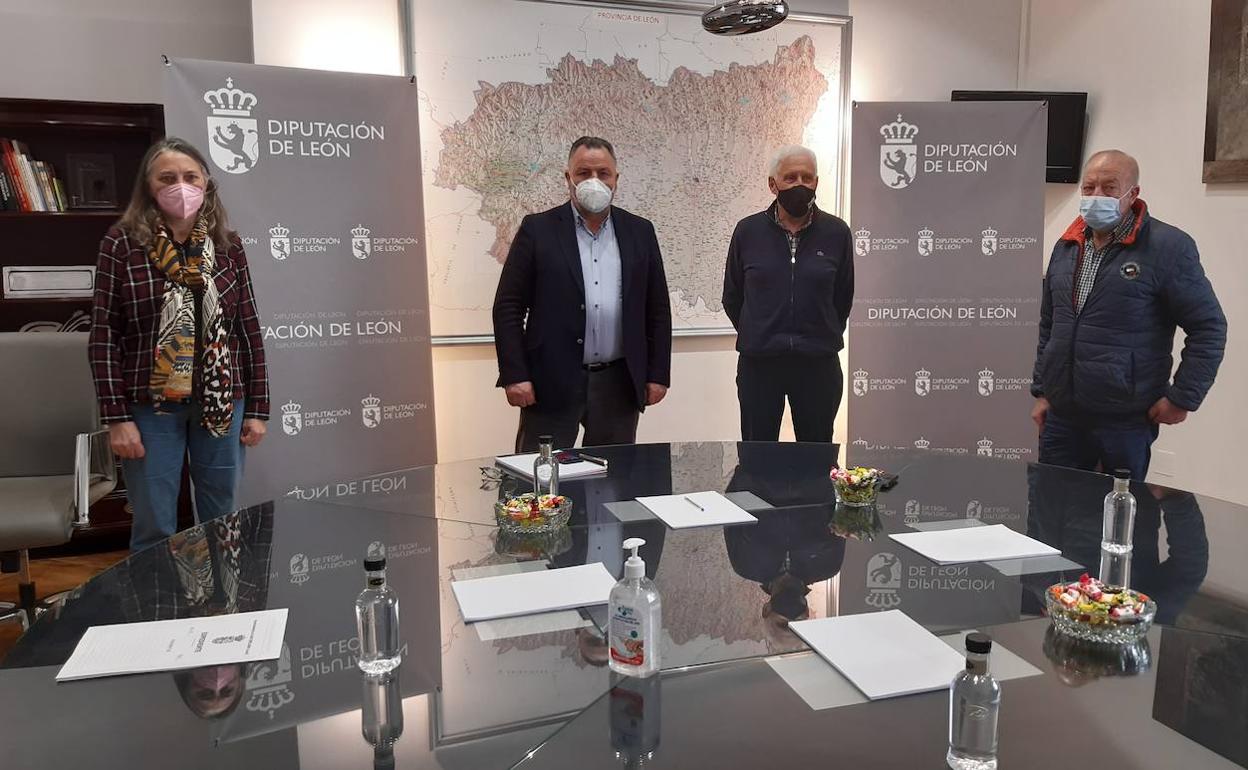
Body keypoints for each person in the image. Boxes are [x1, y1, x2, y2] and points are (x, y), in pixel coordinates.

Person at [89, 137, 269, 553]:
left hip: (221, 402)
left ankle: (221, 594)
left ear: (206, 183)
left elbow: (247, 329)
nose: (181, 187)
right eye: (167, 178)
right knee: (154, 523)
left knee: (222, 517)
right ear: (148, 186)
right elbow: (103, 336)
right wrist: (116, 418)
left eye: (190, 177)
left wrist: (258, 408)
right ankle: (157, 597)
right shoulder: (122, 244)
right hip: (149, 406)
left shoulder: (228, 246)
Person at [1030, 150, 1226, 480]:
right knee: (1052, 506)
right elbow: (1050, 326)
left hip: (1125, 423)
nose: (1096, 196)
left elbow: (1209, 327)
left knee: (1122, 508)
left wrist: (1183, 398)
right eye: (1089, 188)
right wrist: (1043, 392)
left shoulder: (1168, 247)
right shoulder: (1066, 246)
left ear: (1132, 194)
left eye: (1109, 188)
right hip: (1063, 418)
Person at [492, 136, 672, 452]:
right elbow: (508, 306)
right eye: (584, 173)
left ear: (616, 179)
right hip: (550, 381)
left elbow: (656, 308)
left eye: (603, 173)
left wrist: (658, 374)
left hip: (618, 383)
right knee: (540, 474)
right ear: (568, 178)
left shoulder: (640, 231)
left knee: (614, 474)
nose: (594, 181)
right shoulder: (538, 230)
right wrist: (514, 374)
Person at [722, 145, 854, 442]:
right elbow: (733, 295)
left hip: (818, 364)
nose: (800, 185)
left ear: (816, 183)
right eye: (790, 178)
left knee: (816, 454)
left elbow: (842, 297)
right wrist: (760, 331)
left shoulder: (837, 233)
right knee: (758, 453)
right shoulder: (747, 232)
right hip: (760, 364)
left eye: (807, 178)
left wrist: (819, 333)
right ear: (773, 184)